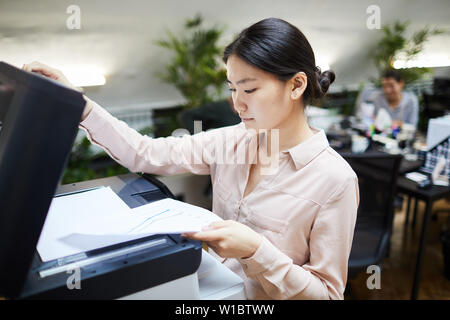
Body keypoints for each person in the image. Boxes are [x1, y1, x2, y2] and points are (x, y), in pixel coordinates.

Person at [23, 17, 359, 300]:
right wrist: (79, 103)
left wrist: (257, 251)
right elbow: (146, 153)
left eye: (250, 89)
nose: (237, 103)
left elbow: (327, 295)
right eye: (232, 88)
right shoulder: (231, 141)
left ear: (296, 85)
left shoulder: (335, 180)